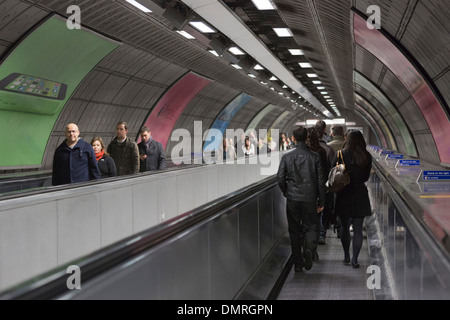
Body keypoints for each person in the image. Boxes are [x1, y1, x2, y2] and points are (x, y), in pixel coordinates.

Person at [277, 126, 326, 272]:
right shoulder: (315, 157)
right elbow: (320, 181)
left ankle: (298, 263)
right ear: (306, 138)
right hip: (310, 198)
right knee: (311, 226)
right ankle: (309, 249)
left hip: (293, 198)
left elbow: (280, 178)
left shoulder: (286, 157)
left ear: (293, 138)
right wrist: (322, 201)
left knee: (294, 230)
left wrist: (287, 192)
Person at [332, 130, 372, 269]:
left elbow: (333, 174)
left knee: (344, 226)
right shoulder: (366, 156)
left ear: (347, 139)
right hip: (360, 194)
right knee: (358, 229)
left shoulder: (340, 154)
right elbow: (366, 177)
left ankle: (346, 256)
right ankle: (355, 259)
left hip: (344, 194)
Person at [306, 127, 330, 250]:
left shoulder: (304, 152)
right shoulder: (321, 151)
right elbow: (325, 172)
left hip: (304, 189)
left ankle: (307, 244)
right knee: (318, 215)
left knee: (306, 218)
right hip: (318, 188)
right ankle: (319, 236)